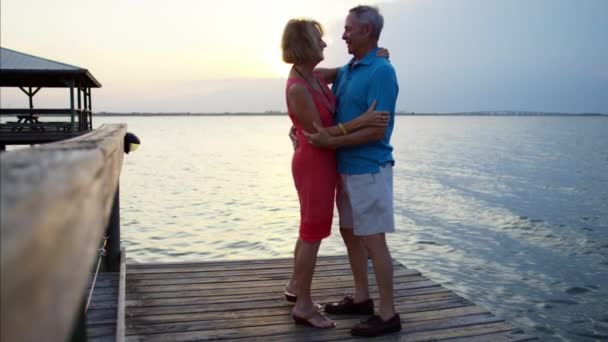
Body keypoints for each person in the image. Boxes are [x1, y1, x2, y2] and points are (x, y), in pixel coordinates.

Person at [281, 18, 390, 329]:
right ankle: (303, 305)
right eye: (319, 40)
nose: (326, 44)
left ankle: (294, 288)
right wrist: (365, 119)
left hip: (324, 164)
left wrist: (372, 57)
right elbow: (321, 135)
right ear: (304, 46)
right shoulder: (299, 87)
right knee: (312, 234)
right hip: (313, 165)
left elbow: (345, 71)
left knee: (309, 230)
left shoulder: (314, 76)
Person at [303, 5, 401, 337]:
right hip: (345, 168)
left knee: (374, 242)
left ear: (367, 32)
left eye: (348, 29)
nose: (342, 34)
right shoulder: (350, 69)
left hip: (369, 169)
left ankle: (387, 315)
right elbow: (314, 75)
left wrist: (331, 141)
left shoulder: (381, 72)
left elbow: (377, 130)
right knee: (351, 235)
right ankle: (362, 299)